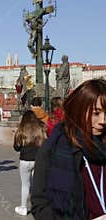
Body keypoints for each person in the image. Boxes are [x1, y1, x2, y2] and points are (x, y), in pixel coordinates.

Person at [31, 79, 106, 219]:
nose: (103, 120)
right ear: (79, 110)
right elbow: (40, 206)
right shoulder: (53, 148)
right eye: (96, 113)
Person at [13, 110, 46, 216]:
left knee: (25, 185)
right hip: (38, 159)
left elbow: (16, 147)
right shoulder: (40, 128)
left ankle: (23, 207)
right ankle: (38, 206)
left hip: (25, 160)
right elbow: (46, 142)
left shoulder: (21, 129)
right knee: (37, 184)